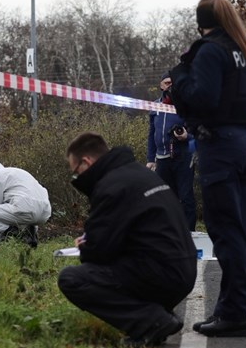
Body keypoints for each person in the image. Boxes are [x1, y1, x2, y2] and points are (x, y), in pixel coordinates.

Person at [169, 0, 246, 337]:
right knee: (239, 229)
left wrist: (179, 77)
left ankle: (234, 313)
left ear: (199, 21)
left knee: (226, 232)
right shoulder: (244, 50)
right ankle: (233, 307)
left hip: (221, 146)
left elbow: (202, 99)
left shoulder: (210, 50)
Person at [57, 132, 197, 347]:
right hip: (184, 270)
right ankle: (156, 316)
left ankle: (152, 322)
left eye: (76, 172)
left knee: (73, 279)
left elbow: (97, 252)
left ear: (87, 162)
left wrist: (85, 245)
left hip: (163, 275)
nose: (77, 178)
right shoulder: (141, 174)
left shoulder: (111, 187)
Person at [146, 70, 198, 230]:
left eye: (172, 84)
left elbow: (198, 130)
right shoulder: (155, 106)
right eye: (167, 83)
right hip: (162, 158)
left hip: (183, 156)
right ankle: (169, 231)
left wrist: (187, 136)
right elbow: (151, 134)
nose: (170, 87)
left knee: (185, 196)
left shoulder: (186, 106)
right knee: (165, 197)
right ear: (161, 86)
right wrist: (150, 158)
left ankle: (189, 233)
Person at [0, 160, 51, 248]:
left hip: (25, 209)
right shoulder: (15, 173)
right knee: (21, 212)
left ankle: (13, 234)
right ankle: (31, 236)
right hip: (45, 212)